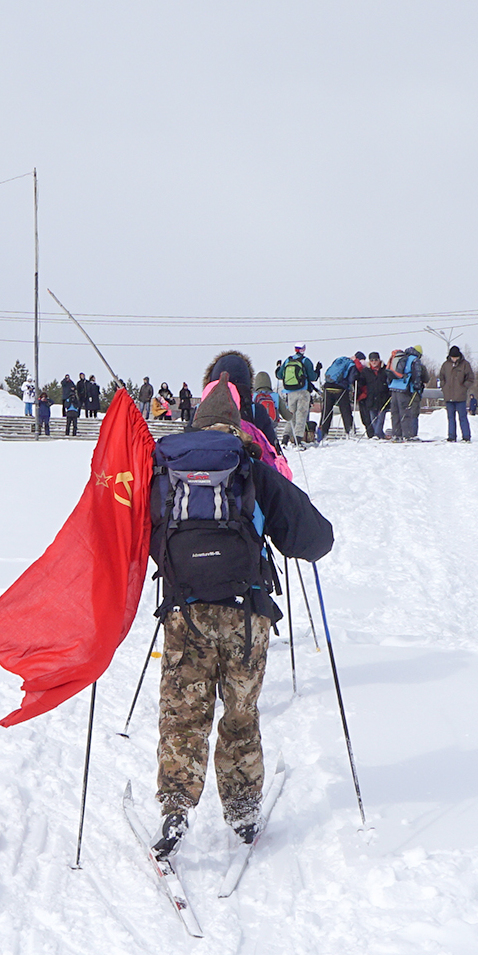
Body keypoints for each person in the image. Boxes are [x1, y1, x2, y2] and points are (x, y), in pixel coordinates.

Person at [149, 352, 335, 858]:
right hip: (245, 614)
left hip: (184, 613)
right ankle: (243, 811)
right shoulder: (250, 465)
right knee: (239, 713)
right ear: (236, 423)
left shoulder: (164, 469)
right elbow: (314, 540)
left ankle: (174, 809)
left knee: (182, 714)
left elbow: (136, 536)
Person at [275, 344, 319, 446]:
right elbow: (313, 377)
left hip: (290, 392)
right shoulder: (305, 361)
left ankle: (285, 439)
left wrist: (278, 367)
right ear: (303, 349)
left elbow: (279, 375)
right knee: (301, 415)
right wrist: (317, 370)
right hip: (303, 391)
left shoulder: (288, 360)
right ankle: (298, 440)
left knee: (291, 415)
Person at [317, 350, 361, 441]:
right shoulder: (351, 364)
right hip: (340, 389)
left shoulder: (338, 360)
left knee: (326, 411)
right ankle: (350, 431)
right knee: (345, 411)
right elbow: (352, 378)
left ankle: (322, 433)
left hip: (328, 387)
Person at [387, 346, 425, 441]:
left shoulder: (401, 357)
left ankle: (396, 434)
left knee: (395, 412)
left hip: (394, 387)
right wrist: (417, 387)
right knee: (405, 412)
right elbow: (417, 375)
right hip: (405, 388)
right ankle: (408, 435)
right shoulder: (414, 360)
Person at [438, 346, 475, 443]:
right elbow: (441, 377)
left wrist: (463, 387)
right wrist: (443, 386)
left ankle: (466, 437)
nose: (454, 359)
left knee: (462, 417)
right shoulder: (445, 365)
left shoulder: (465, 365)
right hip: (448, 396)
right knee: (450, 418)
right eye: (452, 357)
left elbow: (470, 378)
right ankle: (451, 436)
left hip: (460, 396)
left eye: (455, 357)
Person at [361, 351, 391, 438]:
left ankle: (378, 434)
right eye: (372, 360)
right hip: (371, 399)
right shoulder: (366, 371)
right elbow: (361, 382)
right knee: (373, 419)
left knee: (380, 419)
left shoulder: (385, 369)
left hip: (383, 398)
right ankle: (379, 435)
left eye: (376, 360)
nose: (374, 362)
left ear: (379, 360)